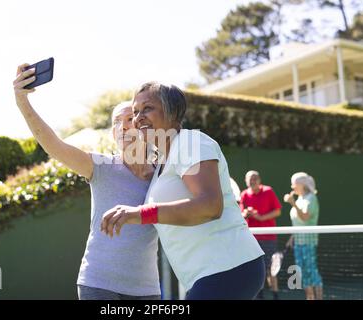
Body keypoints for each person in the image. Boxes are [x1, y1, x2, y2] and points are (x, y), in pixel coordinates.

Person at [100, 81, 265, 300]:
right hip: (207, 274)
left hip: (228, 267)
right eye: (136, 111)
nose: (138, 118)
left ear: (173, 113)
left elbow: (209, 206)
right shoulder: (160, 162)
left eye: (147, 108)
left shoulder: (189, 142)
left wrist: (139, 213)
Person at [13, 65, 161, 300]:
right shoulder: (100, 167)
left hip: (147, 291)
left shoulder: (162, 174)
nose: (122, 126)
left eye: (130, 118)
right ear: (113, 134)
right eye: (116, 122)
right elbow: (53, 144)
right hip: (99, 285)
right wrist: (23, 102)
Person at [240, 170, 282, 300]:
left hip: (269, 238)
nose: (253, 181)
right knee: (257, 271)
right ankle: (260, 297)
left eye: (255, 178)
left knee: (271, 270)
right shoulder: (244, 195)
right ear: (246, 181)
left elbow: (277, 211)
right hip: (251, 239)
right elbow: (241, 215)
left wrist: (262, 217)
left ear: (259, 180)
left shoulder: (269, 191)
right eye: (250, 179)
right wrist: (246, 214)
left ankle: (275, 296)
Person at [284, 172, 323, 300]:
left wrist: (292, 203)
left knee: (312, 271)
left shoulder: (311, 198)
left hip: (309, 241)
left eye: (294, 184)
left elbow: (305, 218)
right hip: (298, 242)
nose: (292, 187)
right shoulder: (300, 199)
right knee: (303, 274)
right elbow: (297, 223)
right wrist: (292, 238)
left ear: (301, 184)